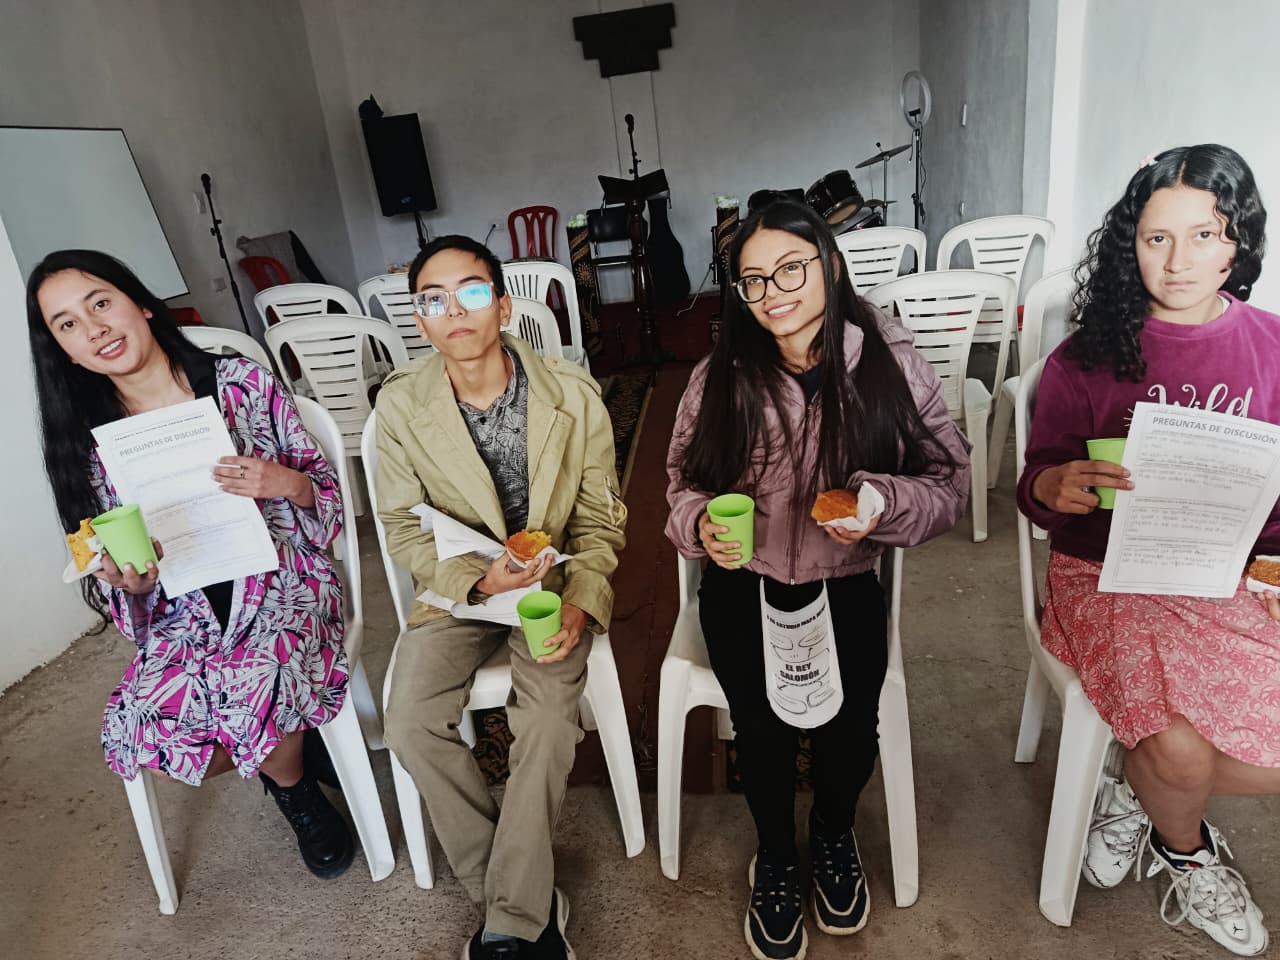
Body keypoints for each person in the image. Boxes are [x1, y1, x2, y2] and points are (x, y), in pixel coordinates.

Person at [665, 199, 970, 960]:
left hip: (845, 577)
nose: (773, 293)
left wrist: (882, 503)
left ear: (830, 265)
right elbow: (680, 483)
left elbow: (951, 481)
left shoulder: (891, 364)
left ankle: (833, 832)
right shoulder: (719, 377)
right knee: (760, 728)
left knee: (849, 728)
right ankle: (775, 851)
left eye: (791, 269)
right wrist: (699, 525)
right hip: (745, 580)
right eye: (754, 280)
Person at [1017, 144, 1280, 957]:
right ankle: (1186, 845)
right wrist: (1054, 484)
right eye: (1156, 238)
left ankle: (1140, 789)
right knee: (1176, 746)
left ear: (1238, 241)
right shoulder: (1086, 357)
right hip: (1102, 572)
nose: (1178, 261)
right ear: (1130, 244)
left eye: (1204, 235)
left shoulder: (1272, 347)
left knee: (1205, 756)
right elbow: (1034, 483)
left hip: (1231, 575)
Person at [27, 249, 354, 878]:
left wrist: (284, 482)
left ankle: (296, 793)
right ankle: (294, 746)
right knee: (140, 727)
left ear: (141, 304)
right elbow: (122, 579)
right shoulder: (90, 441)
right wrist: (131, 582)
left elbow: (328, 498)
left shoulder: (240, 384)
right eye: (68, 324)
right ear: (64, 351)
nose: (94, 328)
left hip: (284, 582)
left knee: (254, 680)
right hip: (184, 612)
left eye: (101, 303)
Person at [375, 235, 627, 960]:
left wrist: (581, 598)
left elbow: (600, 521)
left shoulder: (571, 395)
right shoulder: (401, 407)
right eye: (434, 299)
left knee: (545, 720)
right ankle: (521, 897)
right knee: (410, 722)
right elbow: (400, 525)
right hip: (458, 590)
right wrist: (478, 581)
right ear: (419, 320)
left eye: (473, 292)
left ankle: (510, 921)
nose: (455, 310)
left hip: (550, 588)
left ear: (505, 307)